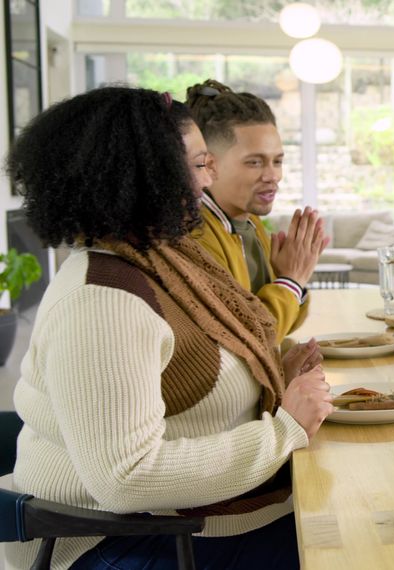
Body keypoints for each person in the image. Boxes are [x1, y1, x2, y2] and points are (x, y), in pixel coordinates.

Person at [5, 87, 333, 570]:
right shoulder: (103, 299)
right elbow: (125, 477)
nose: (208, 181)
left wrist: (271, 370)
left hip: (190, 520)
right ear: (144, 177)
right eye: (200, 164)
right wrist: (285, 431)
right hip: (124, 540)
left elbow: (195, 367)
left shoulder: (162, 257)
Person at [185, 79, 328, 343]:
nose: (273, 175)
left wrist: (289, 280)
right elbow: (249, 338)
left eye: (277, 161)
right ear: (209, 165)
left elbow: (283, 325)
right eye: (254, 162)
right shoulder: (197, 235)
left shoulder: (251, 224)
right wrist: (292, 279)